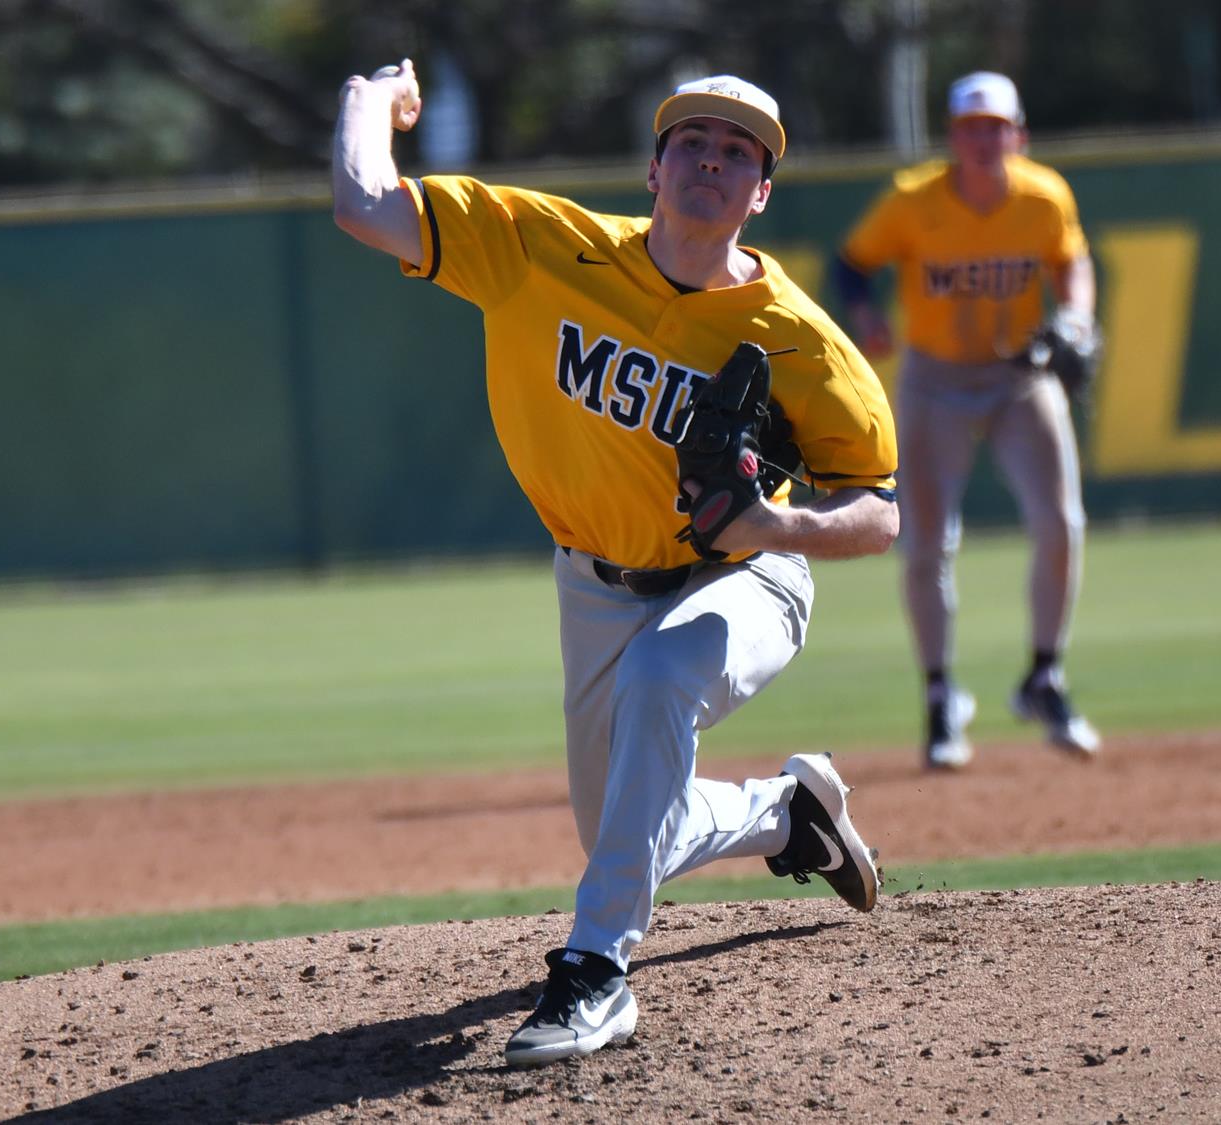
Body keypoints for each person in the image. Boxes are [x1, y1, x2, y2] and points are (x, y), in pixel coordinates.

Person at [331, 61, 901, 1067]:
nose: (712, 162)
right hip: (592, 584)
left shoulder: (800, 341)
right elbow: (363, 204)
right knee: (621, 830)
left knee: (659, 681)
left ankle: (594, 970)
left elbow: (876, 513)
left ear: (760, 194)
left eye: (738, 154)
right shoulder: (540, 249)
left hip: (743, 579)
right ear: (653, 168)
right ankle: (787, 815)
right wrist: (370, 99)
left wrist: (776, 531)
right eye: (694, 143)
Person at [832, 70, 1101, 771]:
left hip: (1019, 375)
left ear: (1019, 134)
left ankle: (1045, 676)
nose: (984, 139)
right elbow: (852, 264)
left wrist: (1074, 315)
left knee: (1060, 522)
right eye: (971, 128)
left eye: (996, 127)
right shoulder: (913, 198)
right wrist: (865, 315)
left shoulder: (1044, 195)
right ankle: (941, 696)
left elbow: (1073, 263)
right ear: (953, 137)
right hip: (935, 380)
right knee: (926, 545)